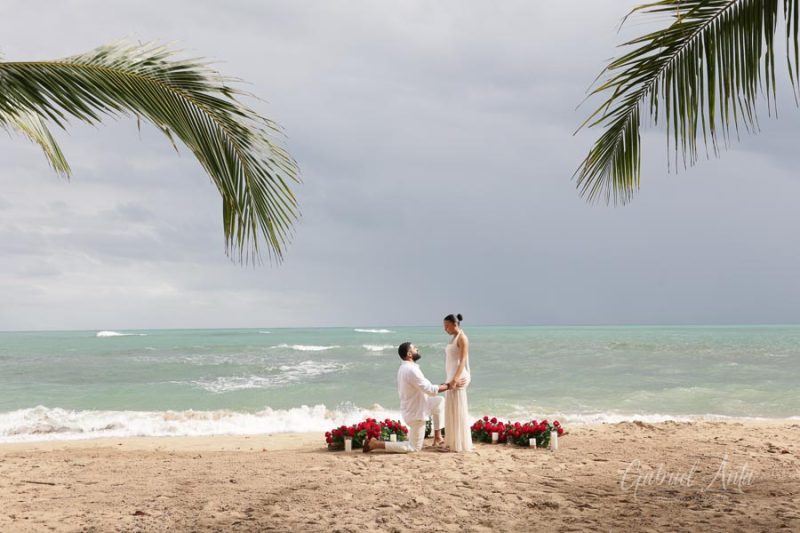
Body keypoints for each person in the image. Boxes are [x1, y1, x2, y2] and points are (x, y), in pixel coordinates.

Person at [363, 342, 464, 453]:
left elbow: (427, 388)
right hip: (416, 413)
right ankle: (376, 444)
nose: (417, 349)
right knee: (413, 448)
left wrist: (445, 385)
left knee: (439, 402)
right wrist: (450, 385)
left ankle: (437, 437)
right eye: (415, 348)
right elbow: (429, 389)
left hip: (419, 406)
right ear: (409, 354)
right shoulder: (411, 370)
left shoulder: (407, 368)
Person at [443, 313, 473, 452]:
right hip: (451, 376)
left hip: (458, 377)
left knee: (458, 409)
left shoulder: (462, 338)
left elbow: (462, 361)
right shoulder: (453, 338)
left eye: (447, 326)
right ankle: (453, 441)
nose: (445, 329)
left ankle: (460, 443)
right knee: (451, 409)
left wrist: (455, 379)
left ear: (455, 324)